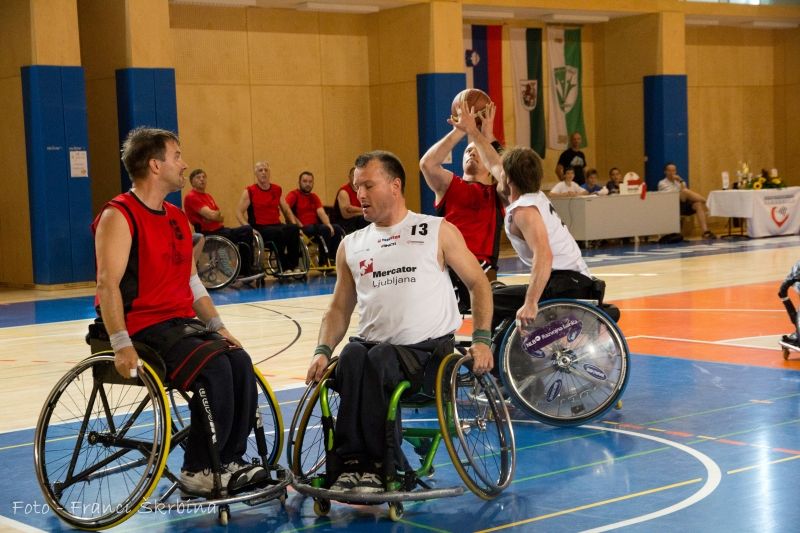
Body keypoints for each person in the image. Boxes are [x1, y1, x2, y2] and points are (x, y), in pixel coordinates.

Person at [305, 150, 494, 493]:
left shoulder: (436, 230)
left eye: (368, 185)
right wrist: (322, 350)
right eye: (356, 186)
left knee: (378, 358)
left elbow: (478, 284)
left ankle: (381, 465)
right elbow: (338, 309)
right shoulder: (351, 245)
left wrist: (481, 339)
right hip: (372, 349)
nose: (359, 194)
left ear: (395, 186)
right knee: (351, 356)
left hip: (428, 356)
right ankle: (352, 464)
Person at [92, 127, 265, 496]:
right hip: (140, 327)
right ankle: (198, 469)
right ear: (155, 165)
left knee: (239, 359)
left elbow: (192, 283)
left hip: (179, 324)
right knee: (214, 368)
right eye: (177, 156)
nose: (184, 164)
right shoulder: (119, 215)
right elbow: (107, 285)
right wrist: (121, 344)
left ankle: (228, 460)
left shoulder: (177, 218)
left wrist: (218, 326)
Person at [447, 110, 609, 336]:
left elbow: (544, 256)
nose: (496, 172)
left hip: (566, 285)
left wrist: (531, 303)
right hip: (569, 281)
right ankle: (504, 348)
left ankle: (492, 346)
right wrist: (477, 133)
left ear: (507, 179)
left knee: (484, 297)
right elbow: (494, 161)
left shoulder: (525, 212)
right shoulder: (533, 195)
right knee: (496, 295)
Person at [419, 100, 504, 278]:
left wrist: (488, 136)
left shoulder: (497, 192)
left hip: (482, 268)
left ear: (489, 162)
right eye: (468, 151)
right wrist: (460, 129)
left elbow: (509, 173)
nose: (472, 153)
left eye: (478, 151)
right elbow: (427, 164)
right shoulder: (450, 185)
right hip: (449, 265)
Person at [184, 168, 255, 277]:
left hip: (219, 230)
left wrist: (213, 216)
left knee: (247, 230)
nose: (202, 179)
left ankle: (248, 267)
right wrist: (213, 216)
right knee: (245, 231)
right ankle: (245, 270)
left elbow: (220, 217)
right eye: (198, 177)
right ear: (192, 182)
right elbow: (212, 215)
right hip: (208, 234)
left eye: (204, 177)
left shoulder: (208, 196)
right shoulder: (191, 197)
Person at [236, 161, 302, 273]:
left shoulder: (276, 189)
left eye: (266, 170)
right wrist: (249, 228)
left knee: (293, 229)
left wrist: (294, 224)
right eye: (260, 170)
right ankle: (284, 266)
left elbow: (286, 210)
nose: (263, 173)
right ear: (256, 174)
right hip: (260, 227)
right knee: (278, 233)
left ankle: (294, 265)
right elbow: (238, 212)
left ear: (269, 173)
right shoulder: (250, 191)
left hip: (276, 224)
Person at [286, 171, 344, 265]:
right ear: (299, 182)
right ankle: (323, 261)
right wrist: (297, 225)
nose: (307, 184)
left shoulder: (314, 197)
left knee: (336, 228)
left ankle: (333, 258)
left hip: (315, 227)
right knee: (324, 229)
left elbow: (321, 212)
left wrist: (329, 225)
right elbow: (287, 210)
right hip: (303, 228)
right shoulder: (293, 195)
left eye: (310, 182)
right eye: (305, 181)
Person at [657, 163, 716, 239]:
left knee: (698, 204)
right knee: (685, 191)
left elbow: (685, 192)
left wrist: (680, 181)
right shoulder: (662, 183)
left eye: (673, 170)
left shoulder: (679, 181)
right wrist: (683, 189)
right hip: (671, 205)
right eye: (669, 170)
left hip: (683, 204)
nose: (672, 173)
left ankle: (705, 231)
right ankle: (707, 202)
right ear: (665, 172)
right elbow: (673, 194)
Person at [332, 167, 369, 234]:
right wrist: (363, 211)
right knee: (364, 219)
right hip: (342, 222)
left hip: (357, 218)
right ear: (349, 177)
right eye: (353, 175)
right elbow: (346, 214)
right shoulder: (344, 191)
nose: (356, 178)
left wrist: (356, 210)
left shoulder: (362, 191)